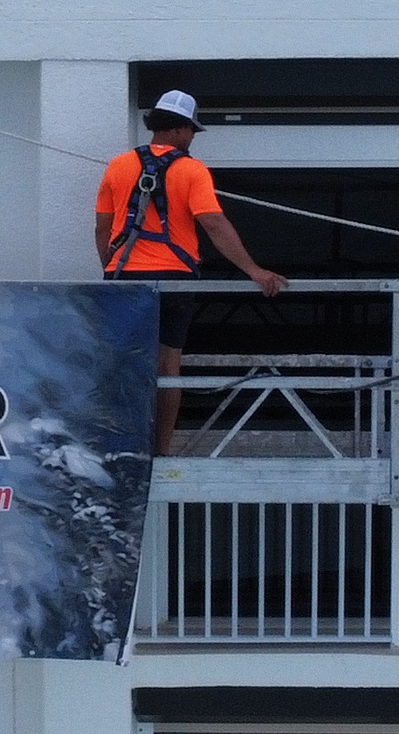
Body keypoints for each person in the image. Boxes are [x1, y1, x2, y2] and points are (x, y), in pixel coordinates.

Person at [94, 90, 287, 458]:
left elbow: (102, 229)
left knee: (125, 363)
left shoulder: (118, 166)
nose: (193, 138)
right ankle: (161, 450)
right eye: (192, 131)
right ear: (180, 129)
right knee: (168, 365)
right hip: (174, 280)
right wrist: (254, 270)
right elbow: (214, 224)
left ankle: (123, 446)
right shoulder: (191, 170)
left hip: (125, 280)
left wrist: (113, 271)